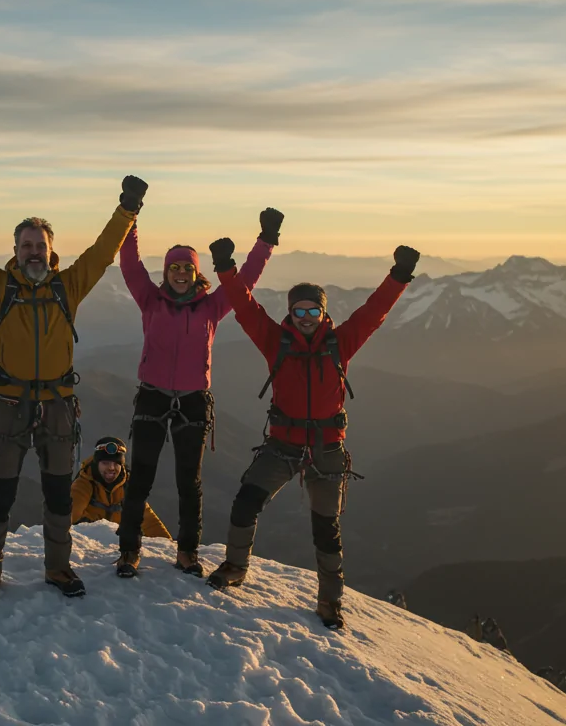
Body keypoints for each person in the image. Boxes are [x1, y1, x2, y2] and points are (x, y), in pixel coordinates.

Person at [0, 168, 140, 602]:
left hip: (58, 405)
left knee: (59, 492)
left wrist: (127, 210)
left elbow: (101, 253)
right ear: (16, 251)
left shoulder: (68, 286)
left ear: (51, 250)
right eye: (27, 246)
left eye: (40, 246)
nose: (34, 252)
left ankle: (59, 569)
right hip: (8, 403)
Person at [204, 235, 420, 630]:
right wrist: (225, 268)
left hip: (326, 448)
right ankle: (236, 567)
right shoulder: (276, 341)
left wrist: (399, 276)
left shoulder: (341, 343)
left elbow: (373, 312)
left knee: (326, 526)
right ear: (290, 313)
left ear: (323, 314)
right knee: (246, 501)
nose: (305, 317)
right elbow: (244, 306)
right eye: (299, 311)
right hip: (283, 444)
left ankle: (330, 601)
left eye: (313, 311)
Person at [115, 208, 280, 579]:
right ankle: (129, 550)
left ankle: (187, 551)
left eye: (186, 268)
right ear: (166, 272)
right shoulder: (150, 300)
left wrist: (266, 240)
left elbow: (245, 282)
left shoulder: (212, 305)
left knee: (189, 481)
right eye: (174, 268)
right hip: (153, 396)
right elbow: (130, 265)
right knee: (140, 476)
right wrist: (130, 217)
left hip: (192, 400)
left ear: (195, 272)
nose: (179, 273)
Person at [71, 436, 171, 542]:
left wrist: (169, 545)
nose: (111, 468)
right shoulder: (84, 482)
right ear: (97, 463)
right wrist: (92, 526)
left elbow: (148, 521)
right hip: (89, 543)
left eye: (116, 463)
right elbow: (70, 516)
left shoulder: (127, 485)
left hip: (116, 544)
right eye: (105, 463)